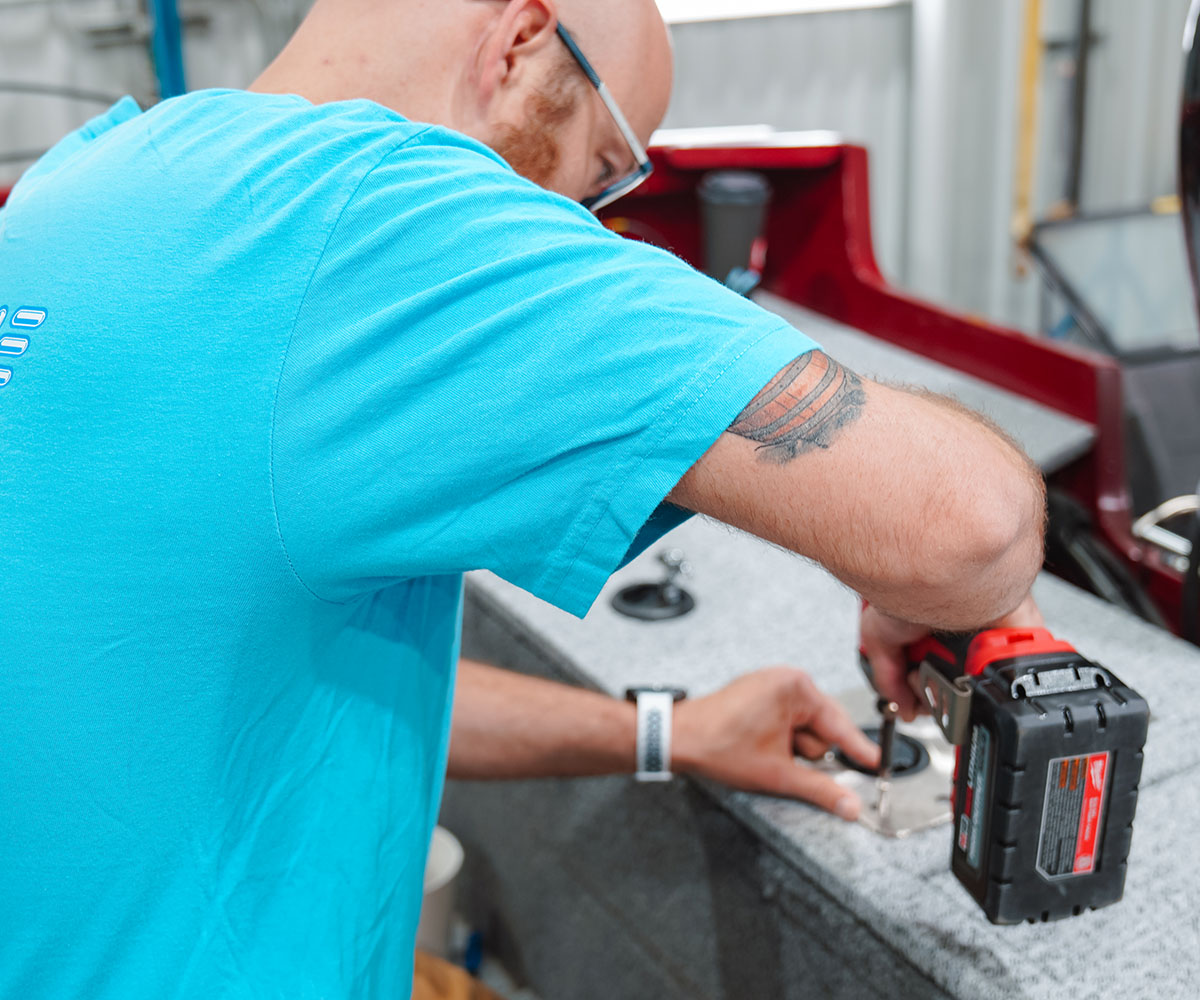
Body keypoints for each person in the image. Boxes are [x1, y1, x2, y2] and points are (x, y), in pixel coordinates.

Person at [0, 0, 1044, 997]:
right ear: (521, 44)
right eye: (597, 174)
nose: (583, 221)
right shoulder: (374, 215)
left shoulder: (83, 181)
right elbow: (971, 528)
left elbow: (266, 681)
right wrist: (907, 584)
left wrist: (665, 733)